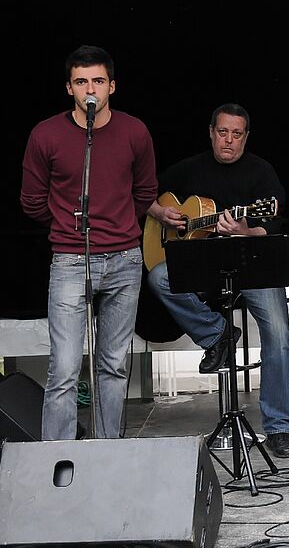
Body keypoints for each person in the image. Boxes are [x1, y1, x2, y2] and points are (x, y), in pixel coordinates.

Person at [20, 45, 170, 440]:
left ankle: (108, 451)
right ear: (69, 88)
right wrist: (68, 227)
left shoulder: (134, 131)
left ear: (112, 87)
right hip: (70, 258)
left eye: (98, 81)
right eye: (82, 81)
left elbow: (146, 191)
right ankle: (58, 457)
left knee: (114, 365)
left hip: (124, 258)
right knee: (64, 368)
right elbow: (32, 201)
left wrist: (119, 223)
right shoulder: (46, 134)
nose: (91, 89)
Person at [146, 103, 289, 458]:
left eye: (237, 134)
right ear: (211, 133)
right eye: (223, 132)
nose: (229, 140)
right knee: (159, 277)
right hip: (205, 261)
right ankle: (218, 334)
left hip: (254, 262)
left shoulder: (261, 172)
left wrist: (247, 230)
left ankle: (278, 428)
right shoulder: (190, 168)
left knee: (279, 335)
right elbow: (144, 192)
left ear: (246, 137)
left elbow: (273, 223)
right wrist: (161, 213)